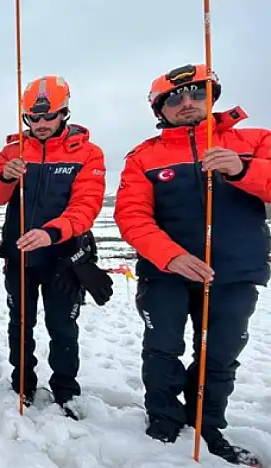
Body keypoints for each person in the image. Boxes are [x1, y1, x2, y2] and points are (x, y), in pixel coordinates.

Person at [115, 64, 270, 465]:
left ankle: (208, 424)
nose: (186, 103)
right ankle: (163, 420)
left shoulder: (254, 141)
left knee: (219, 353)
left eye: (196, 93)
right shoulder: (143, 157)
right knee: (162, 348)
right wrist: (171, 256)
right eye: (174, 98)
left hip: (233, 273)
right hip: (165, 272)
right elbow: (131, 215)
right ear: (159, 108)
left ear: (212, 95)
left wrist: (243, 169)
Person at [0, 75, 112, 417]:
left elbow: (87, 205)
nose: (40, 124)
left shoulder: (87, 152)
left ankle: (66, 392)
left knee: (62, 326)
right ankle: (22, 385)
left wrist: (51, 233)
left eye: (48, 116)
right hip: (20, 257)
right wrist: (7, 177)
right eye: (33, 118)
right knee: (20, 323)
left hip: (63, 258)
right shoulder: (12, 150)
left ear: (64, 113)